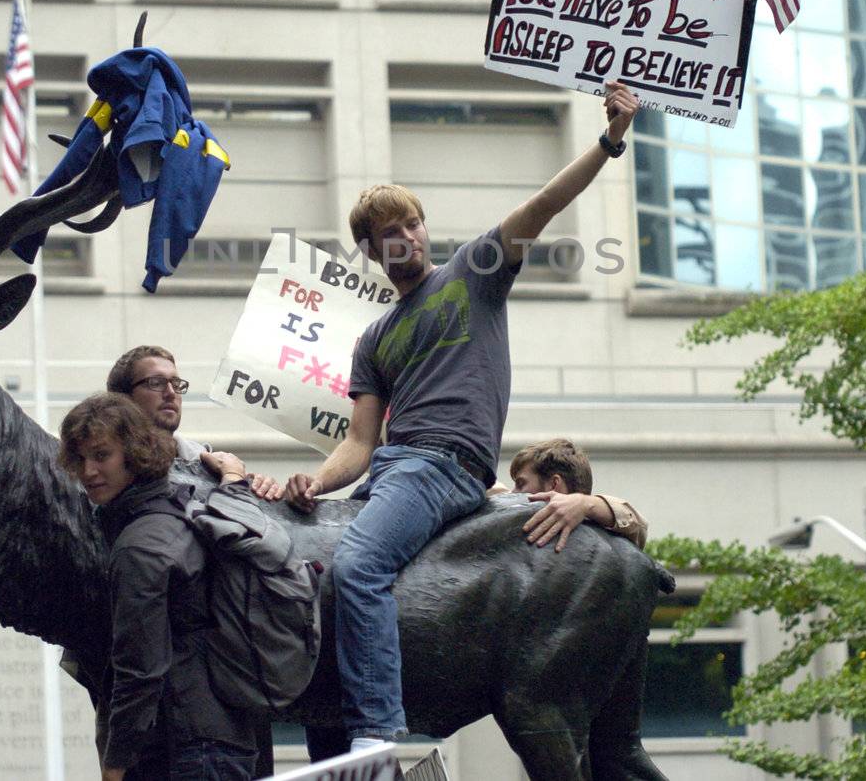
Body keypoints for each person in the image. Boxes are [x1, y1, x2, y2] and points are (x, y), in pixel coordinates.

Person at [282, 80, 639, 751]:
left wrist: (610, 140)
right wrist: (312, 483)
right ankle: (331, 752)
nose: (407, 238)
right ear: (371, 250)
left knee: (358, 568)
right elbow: (357, 444)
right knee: (321, 583)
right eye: (389, 234)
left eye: (411, 223)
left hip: (444, 466)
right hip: (387, 473)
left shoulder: (473, 272)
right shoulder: (372, 338)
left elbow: (543, 204)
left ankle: (379, 730)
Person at [59, 391, 259, 781]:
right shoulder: (175, 510)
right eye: (80, 459)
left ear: (134, 453)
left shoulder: (139, 545)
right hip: (221, 738)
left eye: (102, 456)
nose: (88, 472)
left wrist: (115, 764)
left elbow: (140, 669)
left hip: (184, 748)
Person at [107, 344, 284, 501]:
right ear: (123, 398)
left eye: (176, 384)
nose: (171, 393)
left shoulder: (211, 465)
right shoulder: (99, 470)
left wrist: (267, 492)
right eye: (156, 382)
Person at [502, 437, 648, 551]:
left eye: (521, 484)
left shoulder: (599, 533)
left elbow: (639, 527)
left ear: (554, 484)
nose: (513, 492)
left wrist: (585, 503)